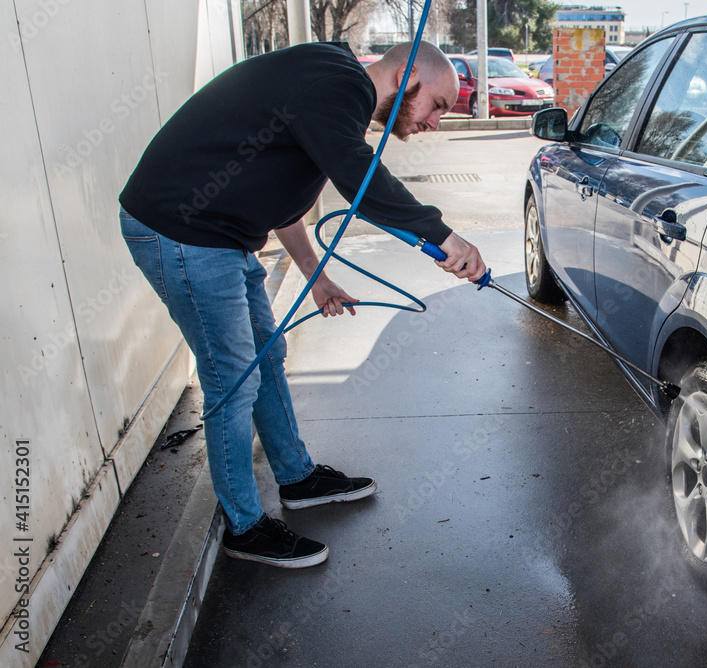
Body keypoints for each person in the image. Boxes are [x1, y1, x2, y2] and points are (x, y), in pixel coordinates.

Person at [118, 40, 487, 568]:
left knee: (266, 358)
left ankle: (297, 478)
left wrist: (316, 275)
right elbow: (361, 178)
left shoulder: (330, 90)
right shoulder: (337, 87)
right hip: (184, 233)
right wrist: (443, 237)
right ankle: (245, 530)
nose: (433, 123)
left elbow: (278, 196)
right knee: (233, 378)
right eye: (438, 106)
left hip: (221, 237)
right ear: (408, 75)